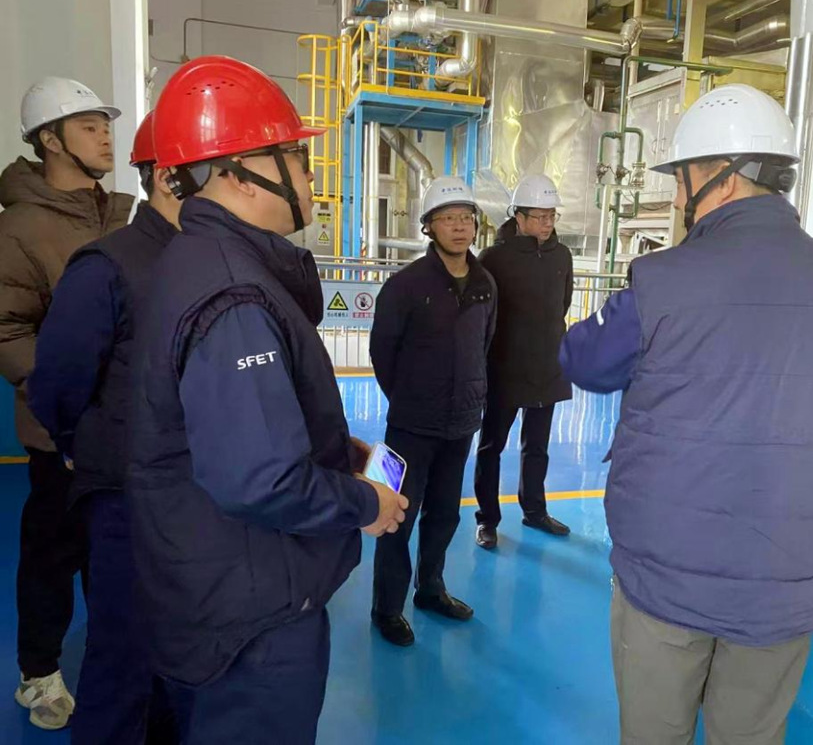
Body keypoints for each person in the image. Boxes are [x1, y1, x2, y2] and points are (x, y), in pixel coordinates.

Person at [559, 84, 813, 745]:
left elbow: (583, 360)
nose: (677, 200)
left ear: (723, 174)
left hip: (666, 578)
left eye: (681, 180)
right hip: (789, 582)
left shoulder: (663, 279)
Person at [125, 56, 407, 743]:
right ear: (239, 173)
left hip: (214, 581)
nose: (310, 178)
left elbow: (225, 427)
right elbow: (259, 479)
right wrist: (365, 503)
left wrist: (334, 450)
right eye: (297, 159)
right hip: (251, 615)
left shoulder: (199, 262)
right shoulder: (233, 293)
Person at [29, 111, 179, 745]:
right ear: (169, 177)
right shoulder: (109, 266)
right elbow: (56, 383)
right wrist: (81, 445)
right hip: (125, 493)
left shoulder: (206, 260)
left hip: (192, 495)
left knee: (174, 655)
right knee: (123, 657)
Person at [0, 76, 133, 731]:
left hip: (124, 431)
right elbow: (7, 330)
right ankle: (39, 673)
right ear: (50, 140)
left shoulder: (122, 217)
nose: (105, 136)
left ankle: (116, 658)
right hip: (61, 434)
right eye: (88, 126)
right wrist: (69, 398)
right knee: (53, 552)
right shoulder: (22, 228)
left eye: (105, 124)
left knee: (116, 553)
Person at [369, 176, 497, 647]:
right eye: (448, 219)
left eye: (466, 218)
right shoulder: (405, 286)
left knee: (444, 514)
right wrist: (408, 399)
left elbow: (484, 344)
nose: (459, 227)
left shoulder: (485, 284)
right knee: (396, 517)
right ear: (429, 227)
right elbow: (382, 353)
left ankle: (430, 590)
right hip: (409, 426)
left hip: (461, 423)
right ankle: (387, 608)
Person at [473, 174, 574, 549]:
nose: (547, 224)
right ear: (519, 216)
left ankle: (534, 510)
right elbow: (482, 315)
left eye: (552, 216)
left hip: (548, 367)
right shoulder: (494, 259)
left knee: (537, 447)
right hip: (505, 369)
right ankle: (487, 519)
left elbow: (563, 304)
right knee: (491, 447)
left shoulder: (561, 256)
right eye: (540, 216)